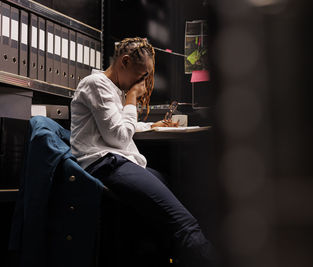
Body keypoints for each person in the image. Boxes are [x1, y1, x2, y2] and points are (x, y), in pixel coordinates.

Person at [70, 37, 216, 266]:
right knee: (183, 223)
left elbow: (115, 127)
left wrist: (151, 125)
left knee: (186, 198)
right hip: (105, 163)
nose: (143, 82)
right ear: (124, 62)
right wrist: (131, 98)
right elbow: (118, 136)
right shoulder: (95, 84)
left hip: (118, 160)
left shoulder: (112, 87)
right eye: (142, 75)